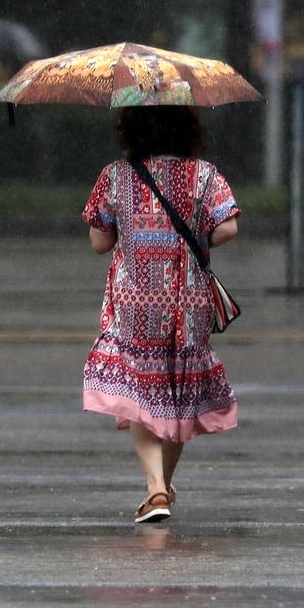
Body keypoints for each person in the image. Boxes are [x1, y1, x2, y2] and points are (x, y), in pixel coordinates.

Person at [80, 106, 241, 523]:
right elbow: (228, 228)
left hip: (134, 299)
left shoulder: (116, 175)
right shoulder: (204, 175)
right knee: (176, 392)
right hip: (187, 300)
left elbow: (100, 241)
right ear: (188, 129)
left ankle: (155, 490)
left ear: (131, 130)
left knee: (139, 391)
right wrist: (187, 236)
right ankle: (160, 489)